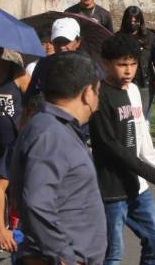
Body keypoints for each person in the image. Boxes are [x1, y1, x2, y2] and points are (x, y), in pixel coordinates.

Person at [9, 51, 106, 265]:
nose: (98, 101)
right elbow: (36, 201)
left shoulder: (57, 129)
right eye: (98, 91)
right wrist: (63, 256)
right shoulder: (51, 134)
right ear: (87, 93)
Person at [90, 35, 155, 265]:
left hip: (138, 186)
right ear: (105, 63)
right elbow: (111, 146)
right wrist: (152, 174)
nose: (128, 70)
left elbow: (142, 137)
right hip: (111, 189)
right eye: (122, 64)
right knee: (113, 253)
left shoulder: (135, 91)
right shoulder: (99, 96)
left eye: (133, 64)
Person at [118, 6, 155, 130]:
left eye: (136, 21)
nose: (133, 24)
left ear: (140, 21)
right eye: (130, 21)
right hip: (125, 82)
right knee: (128, 117)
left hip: (145, 82)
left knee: (141, 117)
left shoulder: (149, 37)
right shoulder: (119, 37)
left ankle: (141, 144)